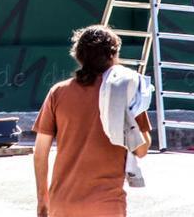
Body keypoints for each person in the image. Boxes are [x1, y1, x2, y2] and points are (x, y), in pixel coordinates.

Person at [33, 25, 153, 217]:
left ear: (79, 56)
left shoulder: (58, 92)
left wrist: (42, 200)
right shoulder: (126, 92)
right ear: (112, 56)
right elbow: (142, 149)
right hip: (106, 205)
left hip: (62, 204)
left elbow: (40, 152)